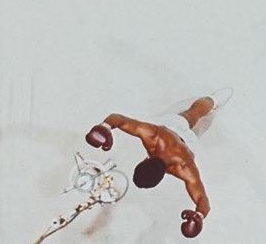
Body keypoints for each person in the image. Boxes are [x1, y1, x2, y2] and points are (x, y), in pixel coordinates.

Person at [94, 90, 232, 235]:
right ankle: (214, 100)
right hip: (169, 131)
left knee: (193, 114)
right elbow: (118, 118)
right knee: (192, 113)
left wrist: (200, 215)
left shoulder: (185, 168)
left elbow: (203, 201)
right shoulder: (152, 137)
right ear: (145, 160)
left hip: (185, 141)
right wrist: (105, 126)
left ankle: (215, 99)